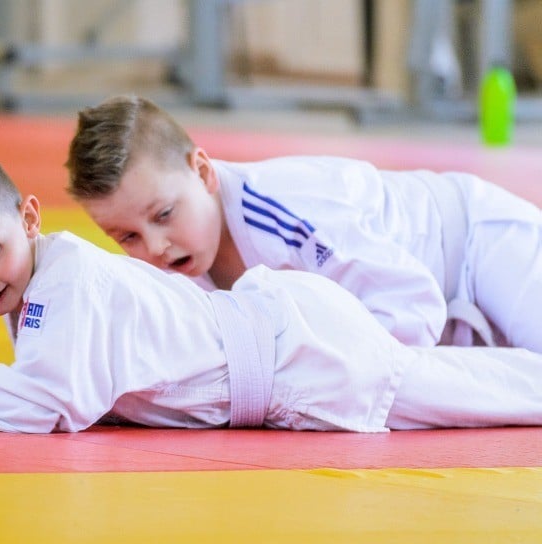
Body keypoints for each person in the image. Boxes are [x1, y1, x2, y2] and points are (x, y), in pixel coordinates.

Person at [0, 140, 542, 434]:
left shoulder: (69, 282)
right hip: (289, 339)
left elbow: (46, 403)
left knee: (464, 391)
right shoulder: (55, 280)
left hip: (305, 360)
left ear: (29, 219)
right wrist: (1, 378)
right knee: (459, 383)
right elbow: (66, 378)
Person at [65, 95, 542, 353]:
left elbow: (410, 303)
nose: (155, 248)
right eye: (126, 236)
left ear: (203, 171)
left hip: (482, 242)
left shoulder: (285, 207)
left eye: (164, 215)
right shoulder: (185, 260)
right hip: (445, 312)